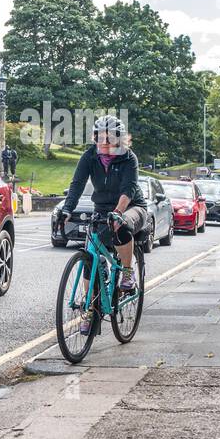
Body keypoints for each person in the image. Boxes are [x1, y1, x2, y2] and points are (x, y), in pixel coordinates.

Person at [56, 116, 149, 334]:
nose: (103, 143)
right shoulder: (89, 156)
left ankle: (127, 272)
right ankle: (90, 309)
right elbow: (77, 184)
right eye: (99, 138)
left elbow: (129, 189)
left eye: (109, 138)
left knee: (121, 225)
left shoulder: (129, 158)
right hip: (102, 209)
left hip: (131, 207)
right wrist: (67, 209)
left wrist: (118, 212)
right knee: (90, 257)